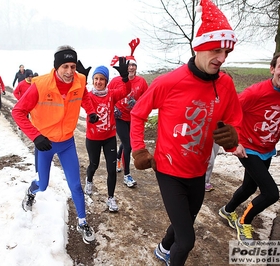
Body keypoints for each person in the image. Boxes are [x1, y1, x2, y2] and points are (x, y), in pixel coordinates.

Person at [130, 0, 242, 264]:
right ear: (200, 48)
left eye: (227, 52)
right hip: (168, 169)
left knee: (186, 221)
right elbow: (138, 113)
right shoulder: (169, 82)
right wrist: (139, 149)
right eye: (216, 50)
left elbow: (233, 120)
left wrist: (233, 135)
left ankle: (162, 247)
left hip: (198, 170)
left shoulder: (225, 84)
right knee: (187, 239)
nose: (222, 58)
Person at [12, 45, 98, 244]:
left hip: (67, 142)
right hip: (45, 144)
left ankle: (82, 221)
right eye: (65, 66)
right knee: (42, 184)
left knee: (76, 185)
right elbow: (17, 111)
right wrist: (35, 136)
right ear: (56, 67)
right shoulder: (40, 85)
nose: (69, 72)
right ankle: (30, 192)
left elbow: (84, 95)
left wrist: (90, 111)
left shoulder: (80, 80)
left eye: (72, 66)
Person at [219, 49, 280, 247]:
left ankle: (227, 211)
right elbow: (229, 115)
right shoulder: (254, 93)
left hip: (267, 148)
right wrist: (235, 143)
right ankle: (244, 222)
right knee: (271, 193)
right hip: (247, 148)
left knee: (249, 186)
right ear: (272, 69)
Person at [83, 60, 131, 212]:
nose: (98, 82)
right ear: (93, 81)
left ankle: (111, 198)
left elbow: (125, 91)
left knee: (111, 169)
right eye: (96, 79)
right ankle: (89, 180)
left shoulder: (111, 94)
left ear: (106, 81)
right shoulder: (88, 96)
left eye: (102, 79)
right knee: (94, 165)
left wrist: (125, 77)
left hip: (109, 137)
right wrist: (81, 80)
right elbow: (78, 95)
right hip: (93, 138)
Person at [108, 38, 148, 188]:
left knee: (126, 144)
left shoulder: (141, 82)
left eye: (133, 65)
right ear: (125, 67)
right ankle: (127, 175)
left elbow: (146, 99)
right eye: (129, 65)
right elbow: (109, 97)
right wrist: (113, 109)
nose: (131, 68)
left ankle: (119, 159)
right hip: (119, 117)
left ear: (136, 68)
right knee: (128, 144)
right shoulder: (116, 81)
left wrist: (138, 105)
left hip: (134, 118)